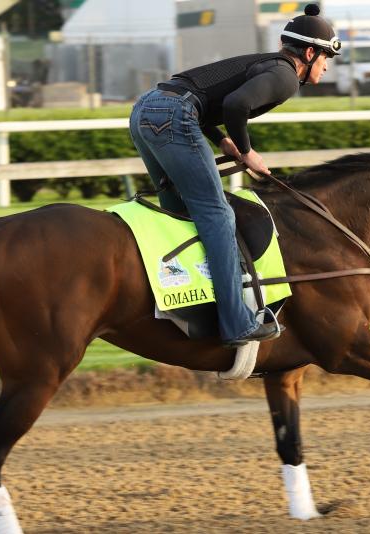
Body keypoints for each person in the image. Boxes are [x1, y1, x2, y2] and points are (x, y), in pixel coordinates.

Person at [128, 3, 340, 347]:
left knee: (179, 210)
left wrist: (223, 140)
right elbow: (235, 106)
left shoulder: (267, 64)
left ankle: (189, 303)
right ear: (310, 52)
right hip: (174, 114)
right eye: (327, 58)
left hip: (146, 108)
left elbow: (206, 100)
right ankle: (237, 323)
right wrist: (246, 151)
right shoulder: (286, 76)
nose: (327, 67)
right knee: (217, 216)